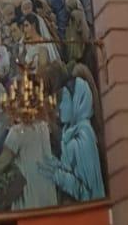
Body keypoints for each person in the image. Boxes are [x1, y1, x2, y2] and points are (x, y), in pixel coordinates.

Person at [41, 68, 105, 203]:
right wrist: (54, 165)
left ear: (76, 102)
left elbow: (88, 193)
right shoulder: (70, 133)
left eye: (64, 101)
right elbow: (70, 170)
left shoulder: (83, 136)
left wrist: (58, 176)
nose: (60, 107)